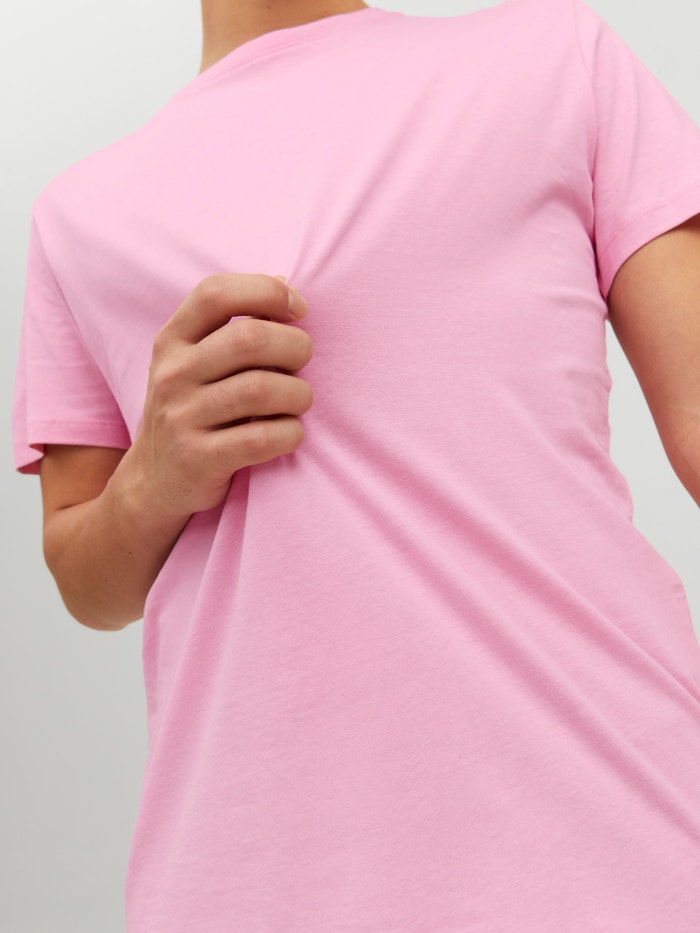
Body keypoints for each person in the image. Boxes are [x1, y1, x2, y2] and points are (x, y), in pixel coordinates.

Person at [11, 0, 700, 928]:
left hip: (605, 834)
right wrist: (153, 477)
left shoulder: (556, 59)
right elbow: (83, 579)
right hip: (250, 879)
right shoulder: (79, 216)